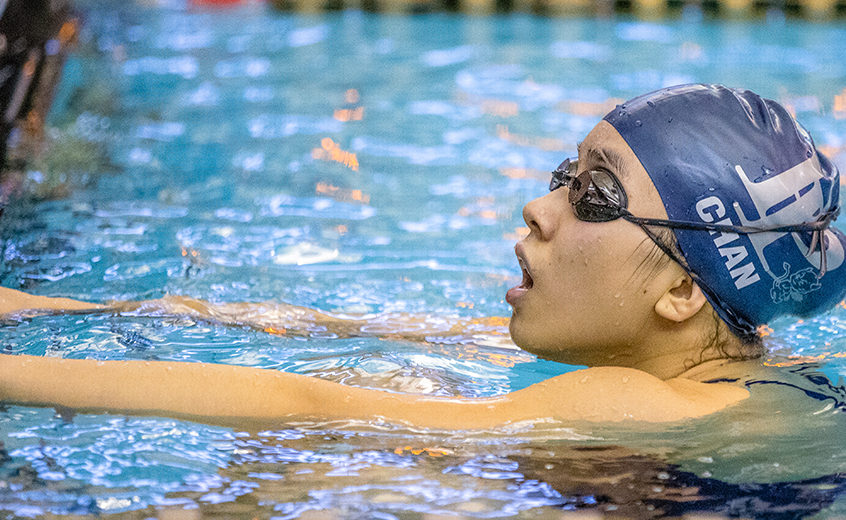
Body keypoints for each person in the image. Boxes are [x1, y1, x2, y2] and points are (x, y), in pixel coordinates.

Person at [1, 83, 844, 429]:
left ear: (681, 293)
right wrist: (55, 312)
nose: (537, 207)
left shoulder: (646, 402)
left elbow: (303, 404)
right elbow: (316, 330)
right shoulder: (700, 356)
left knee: (310, 477)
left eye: (593, 197)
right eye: (564, 175)